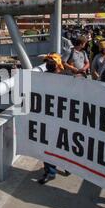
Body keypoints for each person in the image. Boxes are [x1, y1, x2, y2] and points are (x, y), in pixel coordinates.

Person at [37, 53, 70, 185]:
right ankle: (50, 171)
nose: (48, 64)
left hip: (63, 118)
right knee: (49, 145)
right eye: (47, 62)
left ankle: (67, 165)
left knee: (64, 144)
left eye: (51, 62)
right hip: (47, 117)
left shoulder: (66, 79)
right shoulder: (40, 78)